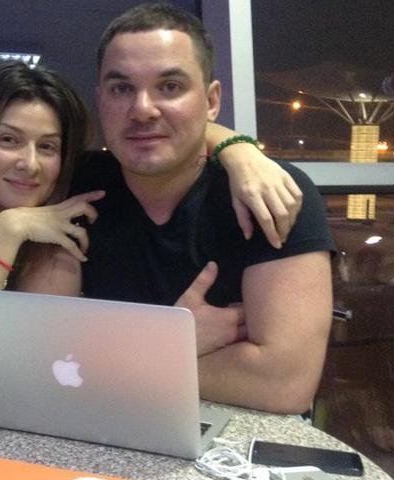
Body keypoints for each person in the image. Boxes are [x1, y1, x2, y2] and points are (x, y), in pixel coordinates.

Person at [0, 58, 301, 376]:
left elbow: (172, 137)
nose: (30, 164)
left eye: (48, 146)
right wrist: (8, 231)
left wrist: (239, 151)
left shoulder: (73, 199)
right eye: (8, 140)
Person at [62, 2, 336, 414]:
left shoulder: (268, 193)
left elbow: (282, 383)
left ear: (211, 101)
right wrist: (169, 344)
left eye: (170, 87)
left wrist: (109, 365)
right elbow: (41, 357)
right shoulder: (77, 187)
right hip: (99, 422)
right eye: (121, 89)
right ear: (101, 101)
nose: (142, 109)